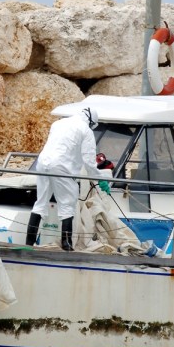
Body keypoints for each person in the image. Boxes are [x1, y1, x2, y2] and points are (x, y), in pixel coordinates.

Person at [26, 107, 110, 251]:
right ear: (91, 122)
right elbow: (89, 161)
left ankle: (28, 243)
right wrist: (100, 179)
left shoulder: (58, 123)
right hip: (62, 167)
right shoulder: (86, 130)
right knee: (67, 205)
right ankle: (67, 245)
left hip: (43, 163)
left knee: (40, 202)